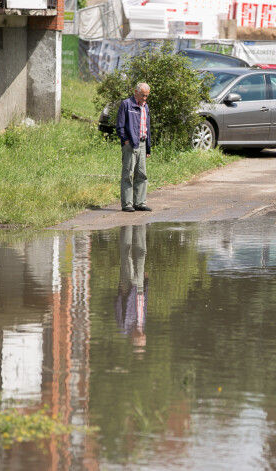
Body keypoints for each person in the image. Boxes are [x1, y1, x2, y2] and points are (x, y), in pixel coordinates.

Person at [116, 83, 152, 212]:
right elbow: (120, 126)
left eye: (146, 96)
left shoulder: (145, 106)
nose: (144, 98)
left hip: (142, 143)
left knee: (142, 174)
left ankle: (140, 203)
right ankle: (127, 204)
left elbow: (147, 128)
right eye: (142, 95)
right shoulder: (126, 104)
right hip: (130, 144)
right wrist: (125, 140)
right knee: (128, 174)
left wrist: (148, 148)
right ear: (135, 92)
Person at [115, 225, 148, 357]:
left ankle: (126, 228)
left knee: (126, 256)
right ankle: (140, 228)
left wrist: (121, 293)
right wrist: (146, 284)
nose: (141, 333)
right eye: (142, 336)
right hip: (139, 290)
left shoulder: (124, 326)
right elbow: (144, 306)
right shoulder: (142, 323)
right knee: (141, 253)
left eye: (140, 336)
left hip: (128, 289)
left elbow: (118, 307)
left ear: (133, 338)